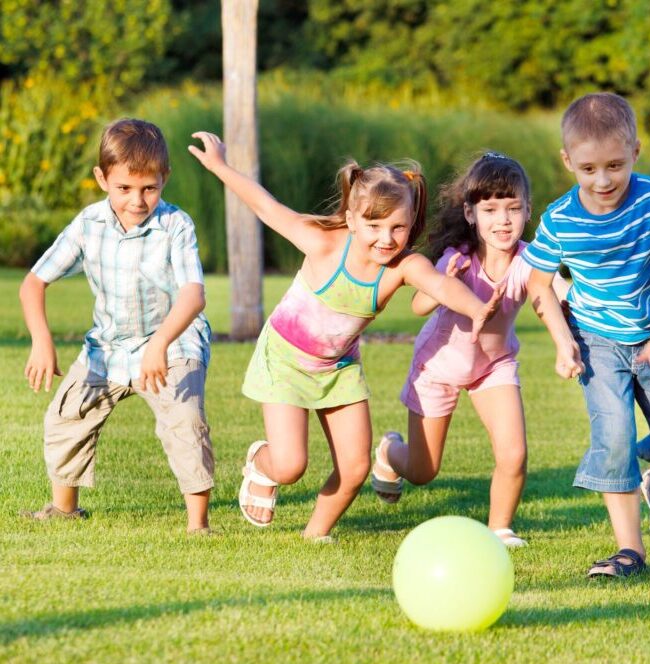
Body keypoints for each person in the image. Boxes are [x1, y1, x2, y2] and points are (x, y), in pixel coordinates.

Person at [189, 131, 501, 540]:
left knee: (354, 468)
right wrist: (220, 166)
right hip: (285, 360)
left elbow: (440, 285)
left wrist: (477, 308)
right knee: (290, 465)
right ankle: (262, 465)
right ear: (352, 219)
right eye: (374, 225)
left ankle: (314, 535)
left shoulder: (402, 267)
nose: (386, 239)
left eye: (398, 227)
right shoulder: (322, 243)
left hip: (338, 369)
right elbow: (266, 206)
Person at [19, 119, 215, 534]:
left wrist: (161, 341)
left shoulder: (176, 226)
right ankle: (64, 509)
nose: (137, 200)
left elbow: (193, 295)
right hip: (107, 348)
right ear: (102, 178)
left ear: (165, 179)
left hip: (173, 342)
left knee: (184, 420)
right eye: (124, 188)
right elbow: (34, 282)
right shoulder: (88, 224)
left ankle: (198, 525)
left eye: (149, 188)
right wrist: (41, 340)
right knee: (67, 414)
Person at [370, 153, 568, 547]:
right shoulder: (457, 258)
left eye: (513, 208)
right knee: (423, 471)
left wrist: (577, 323)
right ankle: (390, 451)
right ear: (470, 212)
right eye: (490, 209)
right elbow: (419, 306)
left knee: (513, 454)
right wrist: (443, 280)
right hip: (438, 367)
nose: (504, 220)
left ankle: (500, 528)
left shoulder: (530, 260)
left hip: (493, 367)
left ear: (528, 210)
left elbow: (555, 294)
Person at [523, 92, 650, 577]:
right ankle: (629, 551)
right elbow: (538, 283)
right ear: (568, 161)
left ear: (635, 152)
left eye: (615, 165)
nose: (604, 180)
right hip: (596, 340)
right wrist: (562, 340)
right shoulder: (560, 220)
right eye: (588, 168)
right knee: (612, 437)